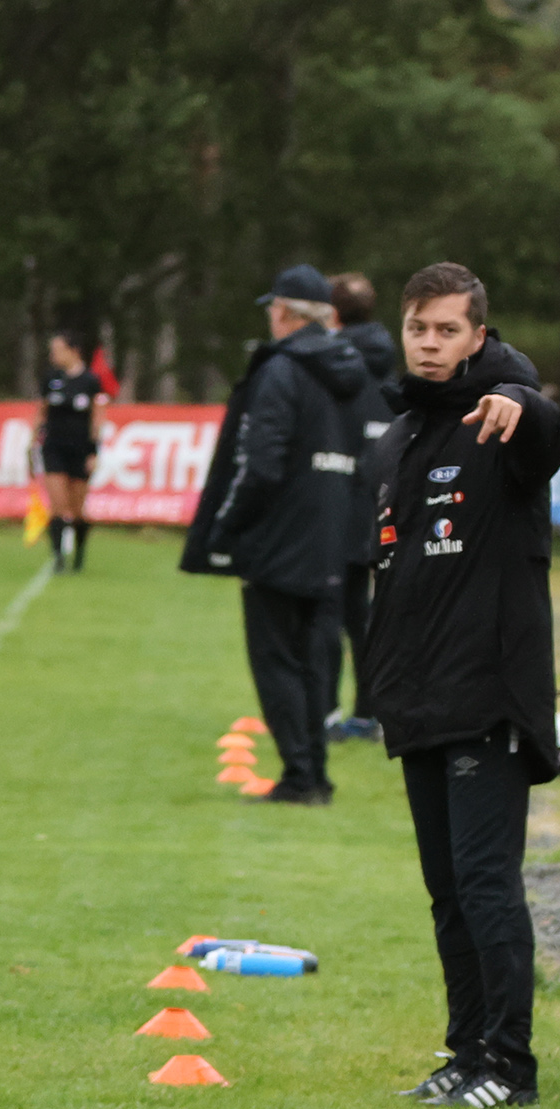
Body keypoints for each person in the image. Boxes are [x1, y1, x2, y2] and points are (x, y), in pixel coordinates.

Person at [363, 262, 560, 1109]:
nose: (431, 343)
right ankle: (465, 1051)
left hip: (488, 695)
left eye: (449, 330)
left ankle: (509, 1069)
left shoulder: (502, 419)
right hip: (418, 699)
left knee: (488, 885)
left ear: (479, 336)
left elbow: (546, 432)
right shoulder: (401, 437)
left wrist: (523, 405)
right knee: (446, 890)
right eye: (419, 329)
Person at [180, 264, 369, 805]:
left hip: (281, 537)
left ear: (284, 312)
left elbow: (259, 464)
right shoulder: (349, 371)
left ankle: (300, 777)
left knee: (277, 660)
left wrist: (227, 526)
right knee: (313, 658)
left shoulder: (281, 371)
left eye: (272, 308)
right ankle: (315, 774)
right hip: (332, 534)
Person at [324, 271, 398, 744]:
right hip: (380, 504)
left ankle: (327, 714)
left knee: (327, 615)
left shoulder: (331, 367)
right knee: (365, 614)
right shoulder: (390, 367)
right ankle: (370, 713)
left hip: (335, 505)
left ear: (332, 314)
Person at [36, 331, 108, 572]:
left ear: (73, 350)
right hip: (54, 448)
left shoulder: (90, 381)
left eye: (57, 349)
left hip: (79, 449)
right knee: (57, 505)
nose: (53, 355)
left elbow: (96, 420)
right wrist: (32, 440)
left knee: (77, 509)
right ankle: (58, 558)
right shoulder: (51, 378)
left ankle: (79, 555)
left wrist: (93, 452)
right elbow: (41, 412)